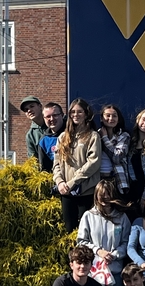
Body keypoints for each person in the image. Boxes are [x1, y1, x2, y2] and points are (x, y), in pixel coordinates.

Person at [77, 180, 131, 286]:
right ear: (96, 196)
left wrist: (114, 255)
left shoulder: (122, 217)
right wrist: (98, 251)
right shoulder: (89, 216)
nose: (105, 197)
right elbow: (81, 241)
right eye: (102, 195)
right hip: (93, 274)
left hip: (114, 272)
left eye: (108, 194)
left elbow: (127, 242)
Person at [52, 98, 101, 231]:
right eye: (73, 112)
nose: (76, 115)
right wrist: (60, 182)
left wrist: (73, 182)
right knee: (69, 231)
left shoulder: (93, 136)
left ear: (86, 114)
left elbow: (94, 162)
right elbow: (56, 163)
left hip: (85, 192)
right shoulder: (63, 137)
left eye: (79, 112)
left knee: (84, 231)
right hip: (66, 192)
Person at [37, 102, 65, 173]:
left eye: (55, 115)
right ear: (44, 118)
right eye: (48, 116)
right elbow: (44, 169)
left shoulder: (73, 133)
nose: (52, 119)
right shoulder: (43, 141)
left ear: (62, 115)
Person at [20, 96, 45, 166]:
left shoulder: (54, 122)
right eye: (26, 110)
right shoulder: (30, 135)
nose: (29, 110)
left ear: (40, 106)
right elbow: (33, 160)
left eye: (32, 106)